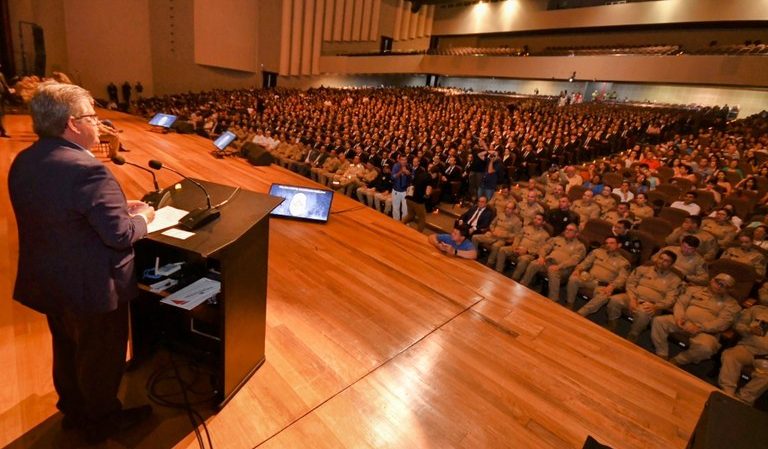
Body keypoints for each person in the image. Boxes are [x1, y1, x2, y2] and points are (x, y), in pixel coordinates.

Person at [8, 81, 155, 442]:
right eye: (92, 117)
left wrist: (115, 207)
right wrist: (143, 218)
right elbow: (119, 235)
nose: (97, 123)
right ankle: (103, 421)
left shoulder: (25, 160)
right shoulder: (88, 169)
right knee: (100, 356)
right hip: (92, 285)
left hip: (49, 278)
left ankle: (74, 411)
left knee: (67, 347)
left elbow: (61, 211)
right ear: (73, 123)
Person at [651, 274, 741, 366]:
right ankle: (662, 354)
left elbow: (722, 322)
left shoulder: (732, 304)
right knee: (659, 321)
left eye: (725, 286)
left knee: (706, 348)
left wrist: (700, 327)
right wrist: (679, 318)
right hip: (683, 322)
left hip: (705, 332)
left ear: (729, 290)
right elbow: (680, 304)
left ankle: (678, 360)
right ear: (712, 280)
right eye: (718, 282)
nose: (719, 287)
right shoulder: (693, 290)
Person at [718, 298, 768, 405]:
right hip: (748, 348)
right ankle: (727, 392)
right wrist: (749, 330)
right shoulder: (756, 310)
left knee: (766, 375)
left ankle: (743, 399)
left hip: (765, 357)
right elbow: (737, 325)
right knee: (730, 356)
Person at [520, 223, 586, 301]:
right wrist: (541, 257)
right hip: (549, 262)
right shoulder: (557, 239)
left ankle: (553, 300)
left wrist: (559, 266)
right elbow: (544, 248)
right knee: (534, 263)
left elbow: (574, 260)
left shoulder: (580, 246)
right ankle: (522, 285)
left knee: (553, 271)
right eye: (566, 229)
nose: (567, 231)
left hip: (564, 268)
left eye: (570, 230)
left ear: (576, 234)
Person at [566, 236, 630, 311]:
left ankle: (581, 313)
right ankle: (569, 304)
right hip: (589, 279)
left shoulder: (624, 262)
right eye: (606, 243)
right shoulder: (597, 252)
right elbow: (585, 263)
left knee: (604, 296)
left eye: (612, 243)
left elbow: (622, 278)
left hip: (603, 286)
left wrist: (612, 286)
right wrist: (578, 270)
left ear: (619, 245)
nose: (608, 245)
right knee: (573, 279)